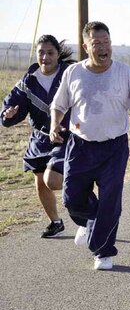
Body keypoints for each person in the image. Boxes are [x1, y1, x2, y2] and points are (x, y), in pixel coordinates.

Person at [50, 21, 130, 270]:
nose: (103, 47)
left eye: (106, 42)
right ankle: (90, 222)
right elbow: (59, 104)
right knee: (71, 198)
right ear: (86, 46)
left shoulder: (124, 72)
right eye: (97, 43)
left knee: (110, 200)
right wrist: (55, 124)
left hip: (114, 147)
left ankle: (103, 252)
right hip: (81, 146)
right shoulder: (74, 73)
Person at [1, 35, 75, 238]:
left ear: (58, 55)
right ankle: (56, 222)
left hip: (65, 136)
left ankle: (82, 202)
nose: (45, 57)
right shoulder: (28, 80)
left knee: (55, 180)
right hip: (39, 139)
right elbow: (12, 106)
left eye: (50, 53)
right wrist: (8, 114)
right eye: (41, 52)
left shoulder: (70, 74)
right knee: (41, 181)